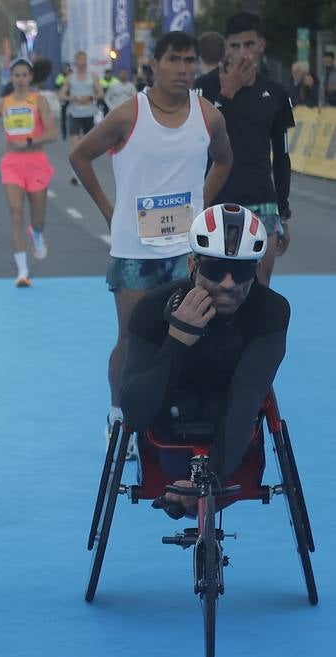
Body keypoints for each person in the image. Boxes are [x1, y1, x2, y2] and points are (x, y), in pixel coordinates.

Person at [70, 31, 234, 444]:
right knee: (131, 339)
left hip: (188, 253)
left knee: (194, 334)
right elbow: (80, 156)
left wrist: (200, 208)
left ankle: (179, 418)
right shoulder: (130, 114)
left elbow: (224, 161)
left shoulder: (209, 115)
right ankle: (117, 418)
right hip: (135, 252)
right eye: (175, 59)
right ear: (156, 64)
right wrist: (112, 211)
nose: (183, 68)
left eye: (190, 60)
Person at [120, 204, 287, 508]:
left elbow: (246, 400)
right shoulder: (151, 310)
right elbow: (134, 415)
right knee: (182, 408)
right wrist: (177, 340)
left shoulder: (271, 312)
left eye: (240, 271)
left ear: (256, 271)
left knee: (223, 405)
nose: (227, 283)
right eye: (214, 270)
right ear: (192, 265)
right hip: (169, 428)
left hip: (231, 433)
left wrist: (211, 480)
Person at [194, 11, 295, 286]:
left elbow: (282, 157)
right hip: (215, 203)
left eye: (249, 45)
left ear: (261, 45)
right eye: (235, 46)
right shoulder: (204, 87)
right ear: (226, 47)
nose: (242, 53)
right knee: (214, 288)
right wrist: (226, 94)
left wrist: (282, 212)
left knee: (259, 288)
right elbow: (197, 139)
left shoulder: (275, 93)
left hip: (262, 204)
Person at [0, 58, 55, 288]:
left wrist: (29, 141)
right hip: (11, 164)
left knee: (38, 219)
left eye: (25, 75)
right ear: (11, 77)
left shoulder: (39, 101)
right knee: (15, 213)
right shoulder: (3, 103)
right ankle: (22, 271)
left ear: (31, 77)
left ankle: (36, 233)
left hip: (36, 163)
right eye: (17, 75)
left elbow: (52, 134)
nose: (21, 79)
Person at [59, 51, 103, 184]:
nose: (82, 63)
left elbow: (101, 94)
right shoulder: (70, 78)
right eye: (79, 60)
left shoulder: (93, 76)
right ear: (75, 62)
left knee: (87, 145)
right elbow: (61, 94)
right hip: (74, 113)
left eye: (84, 60)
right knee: (75, 143)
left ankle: (87, 171)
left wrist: (90, 97)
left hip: (89, 113)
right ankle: (76, 174)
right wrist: (71, 98)